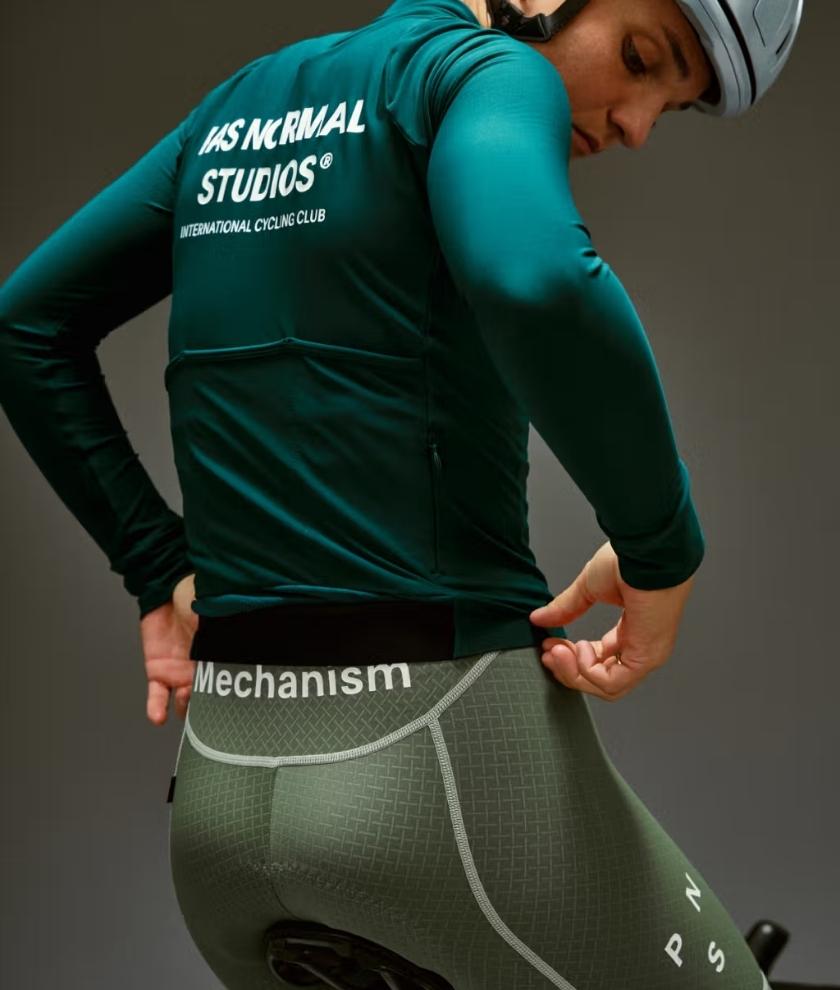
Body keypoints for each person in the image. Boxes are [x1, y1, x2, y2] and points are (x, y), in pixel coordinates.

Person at [0, 0, 803, 987]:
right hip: (439, 774)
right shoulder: (487, 73)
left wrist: (156, 567)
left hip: (220, 802)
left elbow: (25, 327)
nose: (636, 124)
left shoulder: (238, 110)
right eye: (641, 59)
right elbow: (536, 276)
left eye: (669, 107)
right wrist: (661, 550)